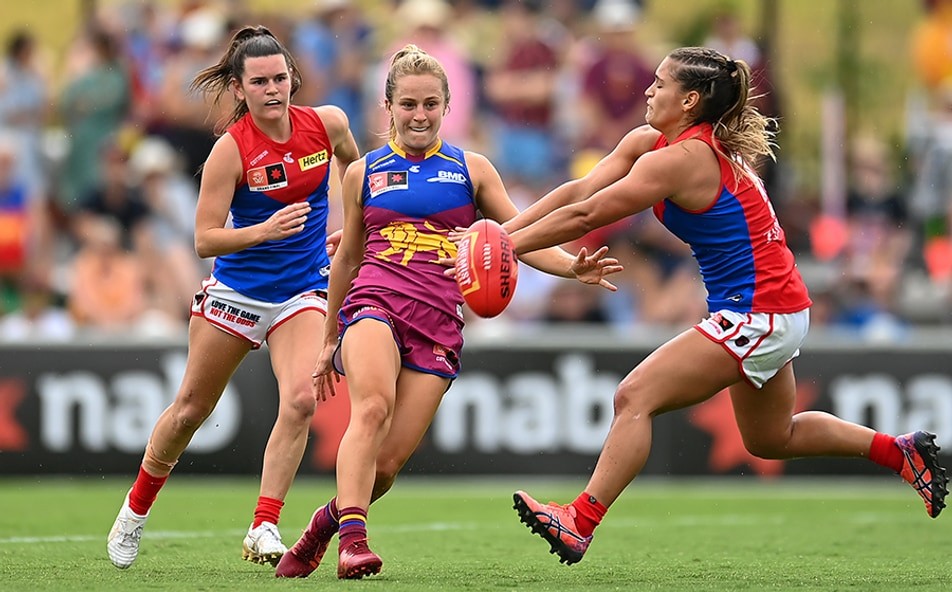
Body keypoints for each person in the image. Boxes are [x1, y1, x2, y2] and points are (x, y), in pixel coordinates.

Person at [500, 46, 949, 565]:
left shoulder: (683, 160)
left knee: (633, 397)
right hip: (772, 308)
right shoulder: (654, 142)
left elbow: (586, 215)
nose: (648, 91)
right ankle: (900, 451)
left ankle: (580, 520)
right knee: (771, 437)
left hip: (762, 311)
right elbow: (580, 188)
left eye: (660, 84)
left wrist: (503, 247)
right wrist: (498, 232)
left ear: (689, 101)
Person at [274, 44, 621, 580]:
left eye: (430, 104)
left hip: (439, 323)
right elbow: (345, 258)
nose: (419, 115)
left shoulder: (471, 169)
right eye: (408, 104)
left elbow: (518, 238)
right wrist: (327, 337)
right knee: (371, 410)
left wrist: (573, 268)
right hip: (375, 304)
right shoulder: (363, 172)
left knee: (384, 468)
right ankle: (354, 545)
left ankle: (324, 526)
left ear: (446, 106)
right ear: (387, 106)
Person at [106, 25, 361, 570]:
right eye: (260, 81)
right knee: (191, 411)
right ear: (240, 89)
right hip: (238, 292)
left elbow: (354, 171)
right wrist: (263, 231)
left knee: (300, 399)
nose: (274, 89)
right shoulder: (230, 150)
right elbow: (204, 238)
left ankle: (263, 525)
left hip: (303, 289)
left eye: (281, 78)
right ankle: (135, 508)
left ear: (293, 76)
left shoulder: (328, 124)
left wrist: (349, 228)